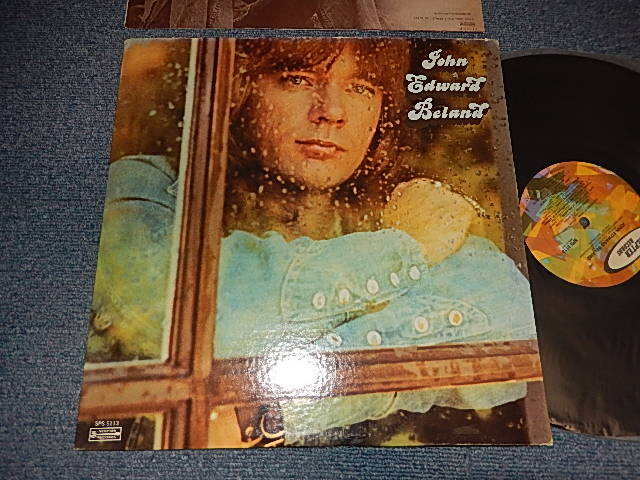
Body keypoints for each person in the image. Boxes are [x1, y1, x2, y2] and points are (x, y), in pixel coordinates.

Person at [89, 39, 538, 445]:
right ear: (239, 88)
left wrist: (269, 410)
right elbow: (187, 320)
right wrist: (409, 250)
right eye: (298, 79)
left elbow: (512, 317)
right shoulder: (145, 185)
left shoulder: (386, 208)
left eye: (361, 88)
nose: (332, 111)